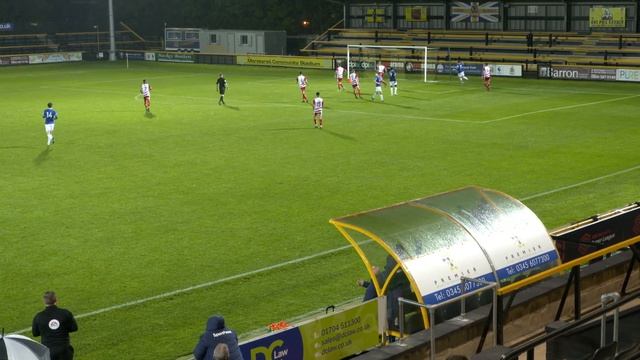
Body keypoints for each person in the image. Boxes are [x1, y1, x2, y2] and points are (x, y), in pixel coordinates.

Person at [32, 291, 78, 360]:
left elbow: (35, 333)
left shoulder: (39, 317)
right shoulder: (65, 313)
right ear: (56, 300)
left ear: (44, 302)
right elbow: (74, 328)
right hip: (64, 350)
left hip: (48, 352)